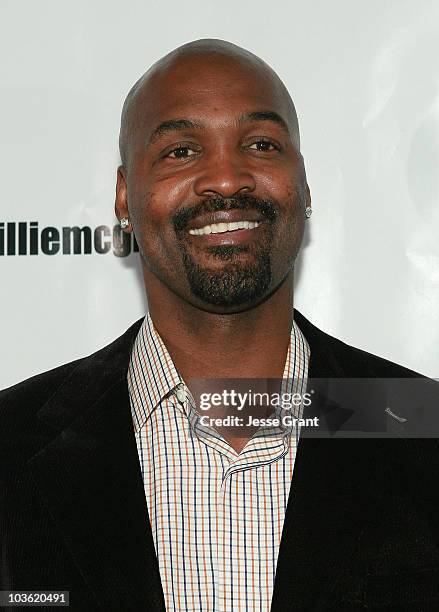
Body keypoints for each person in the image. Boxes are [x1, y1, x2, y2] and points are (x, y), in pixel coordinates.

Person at [1, 39, 438, 612]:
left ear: (304, 187)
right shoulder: (10, 446)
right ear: (124, 197)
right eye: (181, 151)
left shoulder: (422, 432)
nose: (227, 179)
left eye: (260, 144)